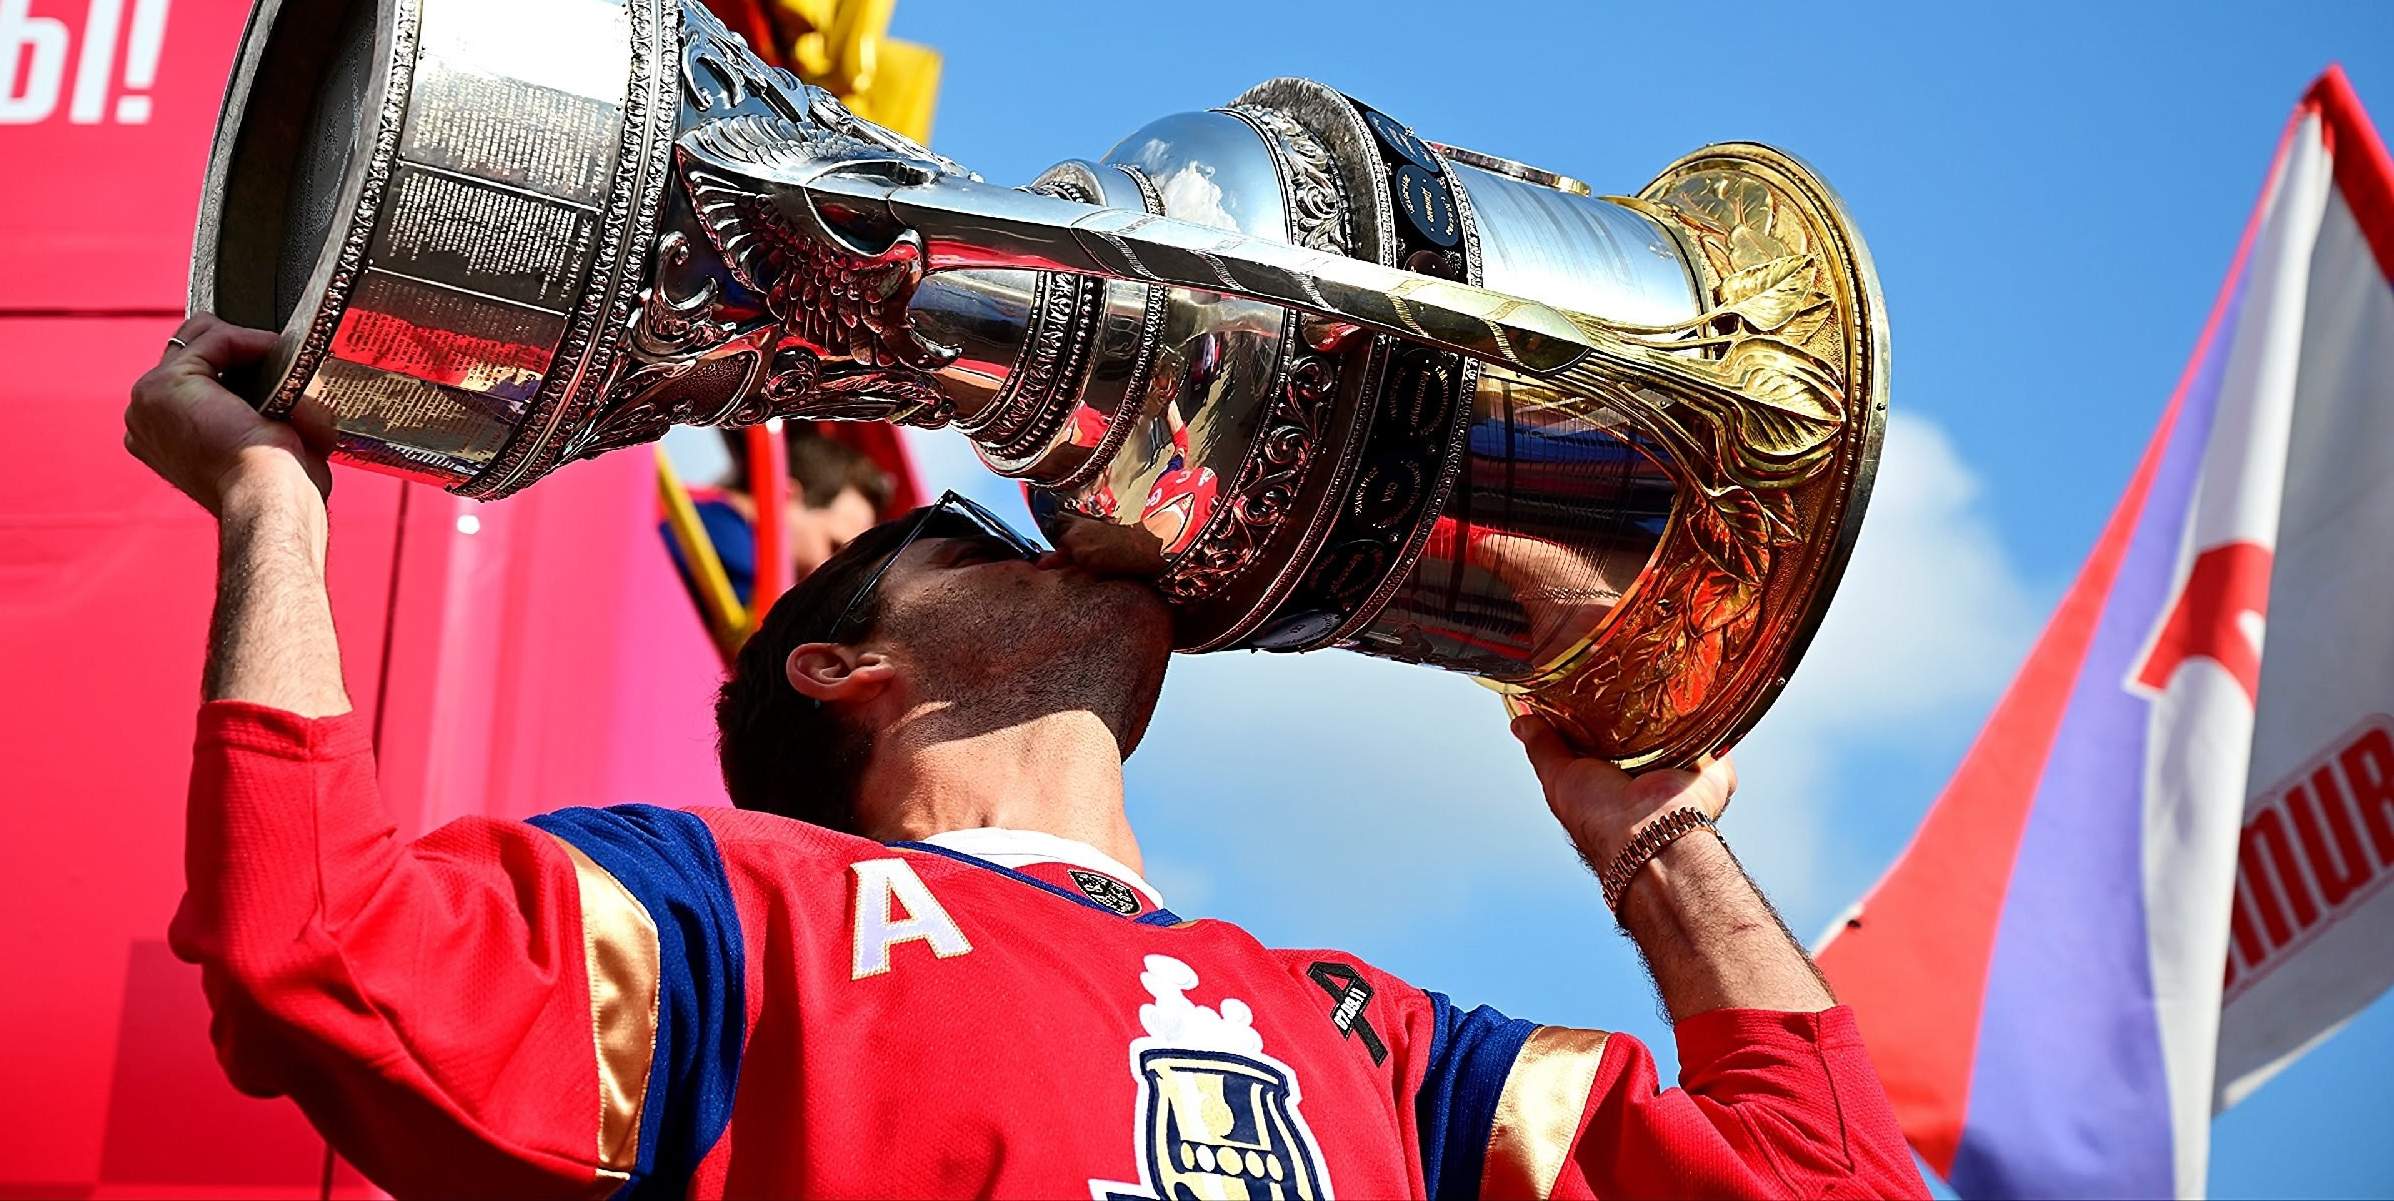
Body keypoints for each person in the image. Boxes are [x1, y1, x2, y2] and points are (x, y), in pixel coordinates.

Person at [127, 314, 1928, 1201]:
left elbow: (1820, 1185)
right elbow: (306, 944)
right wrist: (274, 501)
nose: (1045, 527)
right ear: (845, 667)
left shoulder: (1370, 1039)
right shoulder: (730, 914)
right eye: (974, 532)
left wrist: (1649, 833)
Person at [683, 424, 895, 607]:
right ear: (786, 496)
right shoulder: (738, 559)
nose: (830, 571)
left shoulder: (691, 509)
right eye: (833, 547)